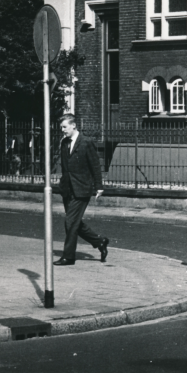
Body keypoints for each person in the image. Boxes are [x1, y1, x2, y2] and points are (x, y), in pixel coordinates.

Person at [54, 114, 109, 266]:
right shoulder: (64, 143)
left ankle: (68, 256)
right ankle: (100, 241)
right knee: (75, 222)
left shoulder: (86, 142)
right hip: (67, 189)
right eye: (61, 128)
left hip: (82, 189)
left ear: (73, 126)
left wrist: (98, 186)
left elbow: (95, 166)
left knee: (70, 222)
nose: (63, 130)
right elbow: (66, 167)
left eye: (64, 127)